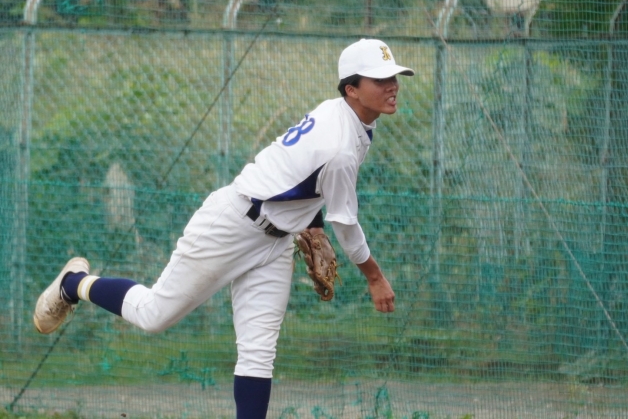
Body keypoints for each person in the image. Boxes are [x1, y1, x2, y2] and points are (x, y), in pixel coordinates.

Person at [33, 38, 414, 418]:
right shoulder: (340, 146)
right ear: (352, 89)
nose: (392, 85)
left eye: (393, 76)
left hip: (276, 242)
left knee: (258, 352)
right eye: (379, 79)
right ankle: (74, 283)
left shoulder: (340, 114)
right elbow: (345, 222)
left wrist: (310, 225)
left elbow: (298, 174)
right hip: (232, 226)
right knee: (153, 315)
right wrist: (375, 278)